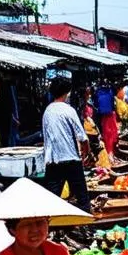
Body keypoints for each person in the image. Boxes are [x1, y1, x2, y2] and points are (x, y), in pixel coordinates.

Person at [42, 76, 91, 211]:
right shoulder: (68, 110)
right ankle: (87, 226)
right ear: (67, 92)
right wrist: (87, 153)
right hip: (70, 159)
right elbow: (82, 137)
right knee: (82, 197)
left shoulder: (48, 111)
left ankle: (52, 227)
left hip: (53, 161)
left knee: (52, 198)